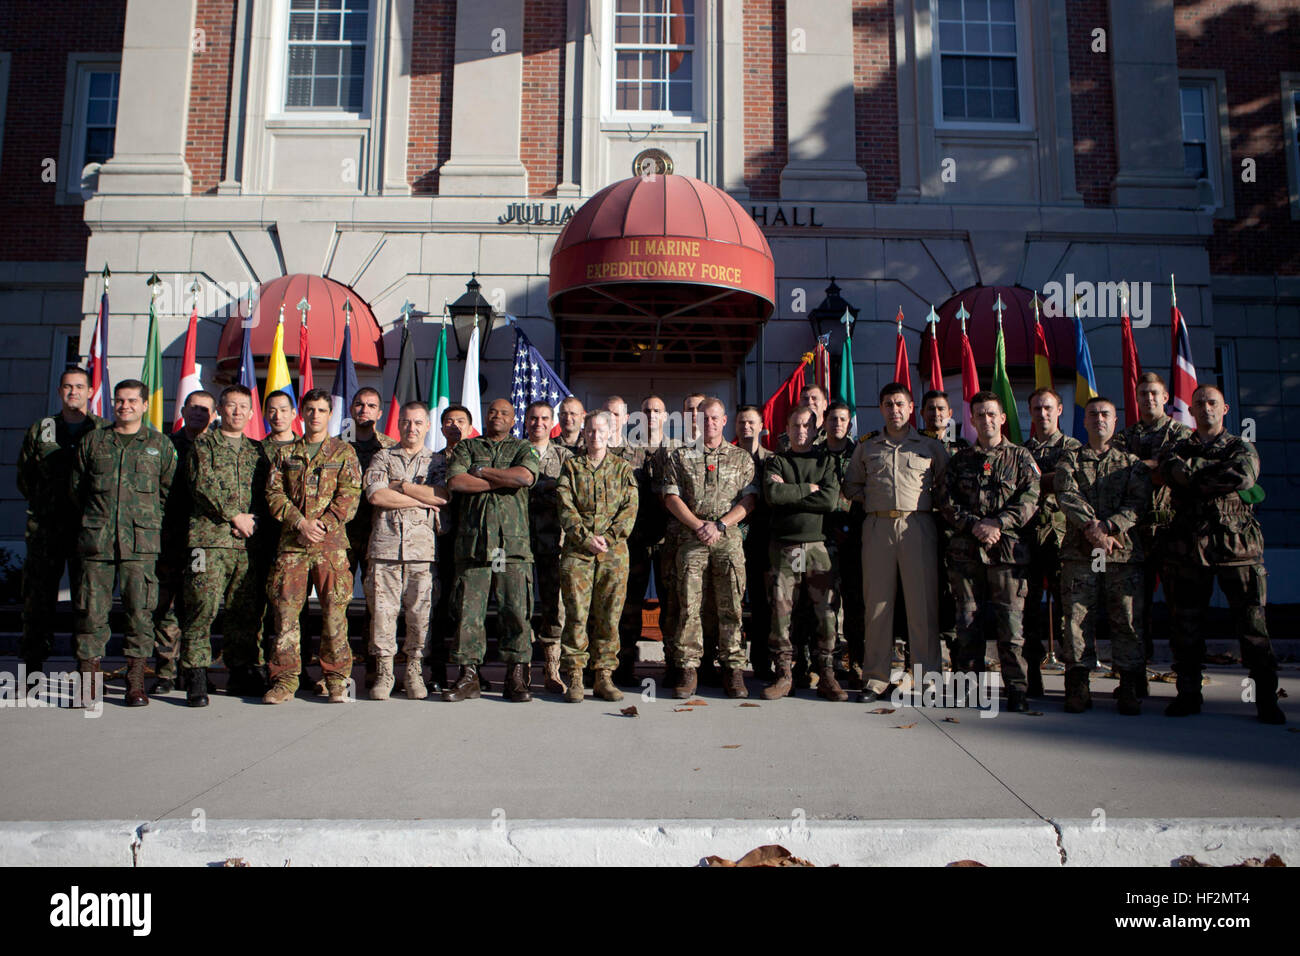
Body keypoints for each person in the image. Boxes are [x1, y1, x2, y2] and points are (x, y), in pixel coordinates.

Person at [1158, 384, 1285, 724]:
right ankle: (1188, 694)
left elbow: (1243, 477)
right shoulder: (1177, 448)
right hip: (1189, 548)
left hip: (1237, 548)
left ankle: (1266, 700)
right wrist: (1210, 474)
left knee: (1253, 628)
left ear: (1225, 408)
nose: (1206, 408)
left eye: (1212, 403)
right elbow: (1174, 474)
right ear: (1192, 411)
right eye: (1199, 404)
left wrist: (1195, 474)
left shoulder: (1240, 445)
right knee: (1186, 626)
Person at [70, 380, 178, 706]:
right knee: (91, 613)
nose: (125, 406)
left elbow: (169, 495)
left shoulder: (159, 445)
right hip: (97, 544)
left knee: (140, 614)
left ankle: (135, 683)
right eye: (119, 400)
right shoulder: (93, 442)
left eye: (132, 400)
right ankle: (89, 684)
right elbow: (77, 491)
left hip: (141, 546)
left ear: (145, 405)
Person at [936, 391, 1041, 712]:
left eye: (991, 414)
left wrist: (997, 523)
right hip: (966, 556)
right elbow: (945, 502)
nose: (986, 420)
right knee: (968, 624)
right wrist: (974, 525)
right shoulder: (960, 461)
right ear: (972, 419)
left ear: (1003, 418)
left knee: (1011, 627)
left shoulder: (1021, 457)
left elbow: (1031, 497)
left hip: (1007, 555)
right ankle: (969, 689)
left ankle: (1018, 690)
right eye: (980, 415)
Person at [844, 384, 948, 703]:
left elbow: (945, 486)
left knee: (922, 604)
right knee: (877, 604)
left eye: (900, 403)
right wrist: (874, 501)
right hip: (877, 525)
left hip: (917, 525)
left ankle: (928, 677)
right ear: (881, 408)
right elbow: (851, 485)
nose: (895, 410)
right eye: (888, 404)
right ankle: (875, 678)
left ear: (911, 406)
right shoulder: (868, 446)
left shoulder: (929, 446)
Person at [263, 388, 363, 704]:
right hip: (293, 545)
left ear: (329, 414)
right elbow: (274, 494)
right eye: (310, 410)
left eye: (321, 410)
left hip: (330, 546)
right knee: (286, 614)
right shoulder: (285, 453)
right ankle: (284, 681)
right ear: (301, 414)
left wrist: (322, 525)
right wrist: (300, 523)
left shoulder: (343, 452)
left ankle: (336, 680)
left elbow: (350, 495)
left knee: (335, 614)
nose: (315, 415)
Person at [1055, 397, 1151, 715]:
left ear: (1115, 421)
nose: (1099, 419)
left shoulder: (1131, 463)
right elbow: (1066, 493)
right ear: (1084, 422)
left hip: (1119, 554)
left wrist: (1108, 528)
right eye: (1093, 414)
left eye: (1106, 414)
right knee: (1077, 620)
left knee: (1125, 619)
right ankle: (1078, 684)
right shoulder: (1070, 458)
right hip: (1082, 554)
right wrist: (1092, 529)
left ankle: (1127, 686)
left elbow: (1138, 503)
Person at [178, 384, 270, 705]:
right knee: (201, 608)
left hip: (246, 547)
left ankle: (241, 670)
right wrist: (235, 516)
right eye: (230, 406)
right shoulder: (203, 445)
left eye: (243, 407)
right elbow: (202, 485)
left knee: (244, 611)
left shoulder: (258, 451)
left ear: (250, 413)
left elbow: (266, 494)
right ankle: (196, 674)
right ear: (220, 410)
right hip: (208, 543)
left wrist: (253, 521)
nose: (237, 412)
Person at [443, 398, 540, 702]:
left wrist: (482, 472)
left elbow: (524, 477)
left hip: (509, 548)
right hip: (475, 547)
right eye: (492, 412)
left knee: (515, 610)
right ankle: (468, 677)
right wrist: (502, 480)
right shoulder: (467, 448)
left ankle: (516, 678)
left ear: (514, 420)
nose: (497, 416)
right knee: (469, 612)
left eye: (504, 413)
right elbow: (457, 482)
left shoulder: (523, 447)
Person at [662, 397, 757, 699]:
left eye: (715, 418)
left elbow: (749, 500)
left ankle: (732, 668)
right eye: (704, 419)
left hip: (726, 538)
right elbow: (671, 497)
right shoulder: (680, 457)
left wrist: (721, 525)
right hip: (691, 538)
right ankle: (688, 668)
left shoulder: (741, 458)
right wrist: (698, 525)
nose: (710, 423)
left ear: (724, 420)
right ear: (697, 421)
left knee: (730, 605)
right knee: (689, 606)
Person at [17, 366, 102, 674]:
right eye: (67, 387)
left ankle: (86, 668)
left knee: (87, 602)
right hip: (47, 529)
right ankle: (33, 666)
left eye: (79, 387)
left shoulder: (102, 431)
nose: (73, 392)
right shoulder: (43, 429)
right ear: (59, 391)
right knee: (37, 601)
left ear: (90, 392)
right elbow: (25, 476)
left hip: (88, 530)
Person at [363, 402, 448, 700]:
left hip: (421, 552)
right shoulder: (383, 456)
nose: (411, 428)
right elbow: (375, 495)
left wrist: (401, 487)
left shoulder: (437, 462)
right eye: (406, 422)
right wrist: (419, 500)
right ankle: (385, 672)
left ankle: (414, 670)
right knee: (383, 615)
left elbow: (441, 496)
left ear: (427, 426)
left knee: (419, 613)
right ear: (398, 425)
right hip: (385, 547)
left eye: (417, 423)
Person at [1115, 372, 1192, 696]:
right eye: (1143, 393)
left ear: (1165, 398)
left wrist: (1146, 467)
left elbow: (1178, 472)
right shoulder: (1125, 437)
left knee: (1182, 610)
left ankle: (1188, 683)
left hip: (1173, 532)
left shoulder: (1182, 435)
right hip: (1135, 533)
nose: (1148, 399)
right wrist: (1152, 467)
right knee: (1134, 610)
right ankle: (1135, 678)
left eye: (1154, 393)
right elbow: (1115, 473)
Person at [760, 406, 845, 701]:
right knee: (782, 613)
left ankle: (827, 674)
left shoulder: (826, 461)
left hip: (817, 547)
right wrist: (809, 488)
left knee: (825, 613)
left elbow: (830, 500)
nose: (801, 431)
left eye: (807, 426)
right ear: (787, 426)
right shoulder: (776, 461)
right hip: (784, 547)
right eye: (796, 425)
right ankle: (783, 674)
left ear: (816, 427)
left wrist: (793, 492)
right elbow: (772, 495)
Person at [556, 410, 639, 701]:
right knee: (577, 615)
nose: (594, 435)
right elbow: (565, 507)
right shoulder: (571, 467)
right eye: (589, 430)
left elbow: (630, 509)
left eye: (600, 430)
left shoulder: (622, 468)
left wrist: (609, 537)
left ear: (609, 433)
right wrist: (584, 537)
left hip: (613, 555)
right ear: (584, 432)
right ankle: (576, 676)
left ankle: (604, 676)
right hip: (578, 553)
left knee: (609, 616)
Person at [152, 389, 216, 693]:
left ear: (213, 415)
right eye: (193, 408)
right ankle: (165, 673)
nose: (198, 414)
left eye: (205, 410)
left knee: (198, 607)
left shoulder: (217, 448)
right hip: (171, 539)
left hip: (204, 542)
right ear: (182, 411)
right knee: (166, 607)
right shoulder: (166, 446)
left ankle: (195, 672)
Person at [1021, 388, 1081, 697]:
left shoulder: (1072, 448)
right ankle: (1032, 674)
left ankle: (1074, 679)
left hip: (1063, 540)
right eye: (1036, 409)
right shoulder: (1022, 449)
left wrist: (1036, 481)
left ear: (1059, 410)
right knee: (1028, 611)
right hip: (1029, 538)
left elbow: (1067, 481)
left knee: (1068, 613)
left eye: (1047, 408)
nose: (1042, 414)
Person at [615, 394, 678, 686]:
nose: (651, 415)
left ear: (666, 417)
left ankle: (674, 665)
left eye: (657, 411)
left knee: (671, 603)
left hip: (669, 538)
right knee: (629, 603)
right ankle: (624, 663)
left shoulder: (679, 451)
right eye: (646, 411)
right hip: (635, 538)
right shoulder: (626, 452)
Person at [345, 386, 397, 688]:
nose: (364, 410)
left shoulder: (390, 448)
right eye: (359, 404)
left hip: (380, 534)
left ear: (380, 413)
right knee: (338, 602)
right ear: (352, 409)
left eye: (371, 406)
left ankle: (376, 668)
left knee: (378, 605)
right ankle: (337, 668)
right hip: (344, 535)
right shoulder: (338, 447)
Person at [526, 399, 573, 693]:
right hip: (521, 541)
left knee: (555, 606)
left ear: (551, 421)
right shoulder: (513, 452)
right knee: (520, 604)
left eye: (544, 418)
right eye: (533, 418)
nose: (538, 423)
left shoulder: (566, 455)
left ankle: (552, 669)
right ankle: (521, 669)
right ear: (526, 420)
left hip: (555, 541)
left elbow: (571, 493)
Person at [428, 403, 474, 692]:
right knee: (440, 607)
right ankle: (437, 671)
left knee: (469, 609)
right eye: (448, 420)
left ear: (470, 427)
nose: (454, 425)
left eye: (460, 420)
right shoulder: (431, 461)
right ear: (442, 427)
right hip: (440, 540)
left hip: (471, 540)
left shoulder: (479, 456)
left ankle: (469, 671)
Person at [920, 390, 968, 663]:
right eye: (930, 409)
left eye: (941, 409)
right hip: (923, 527)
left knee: (954, 593)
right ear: (922, 413)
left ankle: (956, 654)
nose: (935, 414)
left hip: (955, 532)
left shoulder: (962, 449)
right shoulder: (913, 445)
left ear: (950, 414)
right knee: (924, 591)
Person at [260, 390, 301, 685]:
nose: (277, 416)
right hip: (261, 534)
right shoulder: (256, 449)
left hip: (297, 537)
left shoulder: (305, 449)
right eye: (272, 410)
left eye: (283, 410)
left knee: (296, 607)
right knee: (264, 607)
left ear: (293, 413)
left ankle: (298, 667)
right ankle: (264, 667)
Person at [823, 400, 864, 686]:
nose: (838, 424)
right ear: (824, 423)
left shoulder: (861, 453)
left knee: (855, 605)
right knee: (825, 607)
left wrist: (852, 527)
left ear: (849, 423)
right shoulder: (814, 455)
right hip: (823, 538)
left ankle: (857, 663)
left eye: (842, 419)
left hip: (856, 539)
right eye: (833, 419)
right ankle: (829, 664)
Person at [734, 404, 774, 679]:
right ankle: (732, 662)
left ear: (761, 426)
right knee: (731, 600)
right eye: (741, 423)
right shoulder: (728, 458)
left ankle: (761, 662)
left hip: (763, 538)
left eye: (751, 423)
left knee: (762, 602)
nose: (746, 427)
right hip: (733, 537)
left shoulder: (773, 459)